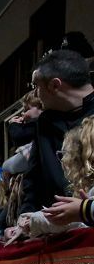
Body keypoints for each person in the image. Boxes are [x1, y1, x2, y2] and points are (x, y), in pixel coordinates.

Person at [21, 50, 94, 214]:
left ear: (55, 85)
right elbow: (33, 179)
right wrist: (25, 215)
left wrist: (84, 210)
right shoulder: (45, 122)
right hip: (53, 225)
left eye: (36, 86)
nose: (35, 94)